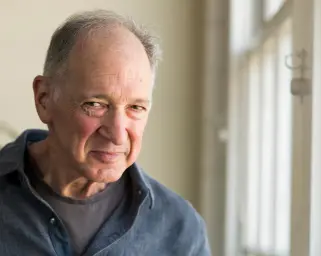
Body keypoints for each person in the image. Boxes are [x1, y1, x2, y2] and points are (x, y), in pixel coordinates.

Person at [0, 10, 210, 256]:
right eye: (96, 104)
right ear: (44, 99)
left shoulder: (180, 228)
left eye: (136, 107)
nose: (118, 135)